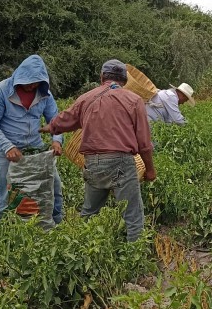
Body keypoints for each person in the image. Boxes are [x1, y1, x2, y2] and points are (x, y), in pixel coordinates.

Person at [41, 59, 155, 242]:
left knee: (89, 212)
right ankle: (135, 253)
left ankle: (81, 250)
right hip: (121, 163)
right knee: (132, 214)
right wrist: (150, 169)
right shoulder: (134, 100)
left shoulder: (86, 98)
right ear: (124, 80)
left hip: (93, 163)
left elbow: (66, 119)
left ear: (102, 77)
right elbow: (144, 143)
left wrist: (50, 127)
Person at [0, 55, 64, 225]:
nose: (32, 86)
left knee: (53, 187)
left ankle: (55, 226)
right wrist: (7, 147)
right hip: (8, 153)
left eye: (36, 82)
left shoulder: (45, 94)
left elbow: (55, 119)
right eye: (29, 81)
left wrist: (57, 140)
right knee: (8, 195)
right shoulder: (0, 91)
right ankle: (6, 231)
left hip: (36, 149)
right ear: (20, 77)